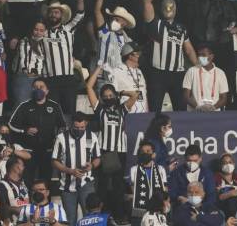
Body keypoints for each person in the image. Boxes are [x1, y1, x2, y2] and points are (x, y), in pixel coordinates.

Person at [86, 66, 136, 223]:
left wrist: (121, 93)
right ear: (102, 98)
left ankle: (119, 216)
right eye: (105, 96)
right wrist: (98, 69)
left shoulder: (122, 110)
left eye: (111, 95)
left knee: (118, 187)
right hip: (105, 152)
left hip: (120, 153)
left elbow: (135, 95)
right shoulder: (100, 110)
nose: (108, 98)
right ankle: (104, 217)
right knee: (103, 187)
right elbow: (88, 87)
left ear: (114, 95)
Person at [143, 0, 198, 112]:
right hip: (158, 73)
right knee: (155, 109)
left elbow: (189, 50)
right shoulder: (156, 24)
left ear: (176, 9)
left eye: (172, 7)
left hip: (177, 74)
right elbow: (146, 3)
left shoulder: (182, 28)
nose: (169, 9)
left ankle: (181, 133)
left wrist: (199, 67)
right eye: (166, 7)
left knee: (180, 109)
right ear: (161, 8)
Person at [8, 77, 67, 185]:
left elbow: (62, 126)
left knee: (46, 182)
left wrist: (58, 138)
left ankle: (45, 202)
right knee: (27, 181)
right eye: (35, 87)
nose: (38, 89)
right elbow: (11, 125)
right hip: (28, 151)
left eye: (41, 87)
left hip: (48, 151)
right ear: (31, 90)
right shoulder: (24, 106)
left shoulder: (54, 106)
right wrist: (25, 130)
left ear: (47, 91)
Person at [53, 112, 103, 223]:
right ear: (71, 124)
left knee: (90, 217)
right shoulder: (61, 138)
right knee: (70, 219)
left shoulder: (92, 136)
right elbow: (54, 161)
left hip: (86, 183)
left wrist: (92, 165)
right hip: (67, 186)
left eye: (82, 127)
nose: (80, 130)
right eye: (76, 127)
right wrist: (70, 171)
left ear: (86, 124)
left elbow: (97, 158)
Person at [43, 0, 86, 115]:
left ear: (61, 15)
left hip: (68, 79)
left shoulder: (68, 29)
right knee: (52, 113)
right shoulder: (43, 33)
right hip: (50, 80)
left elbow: (80, 14)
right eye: (51, 12)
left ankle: (69, 133)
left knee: (70, 112)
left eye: (56, 12)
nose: (53, 15)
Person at [93, 0, 136, 86]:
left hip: (119, 76)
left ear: (124, 23)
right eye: (113, 19)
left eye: (117, 19)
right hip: (103, 76)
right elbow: (97, 11)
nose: (113, 21)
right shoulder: (104, 31)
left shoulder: (127, 40)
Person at [129, 141, 169, 224]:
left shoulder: (161, 170)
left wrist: (166, 203)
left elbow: (165, 190)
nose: (145, 153)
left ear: (153, 154)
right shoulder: (134, 170)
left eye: (148, 151)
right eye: (142, 152)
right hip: (139, 211)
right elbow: (133, 191)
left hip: (158, 210)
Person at [11, 20, 49, 108]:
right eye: (36, 29)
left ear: (45, 32)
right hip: (24, 78)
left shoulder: (46, 43)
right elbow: (24, 59)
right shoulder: (24, 41)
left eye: (41, 30)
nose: (38, 32)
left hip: (39, 79)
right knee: (22, 105)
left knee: (37, 107)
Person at [183, 44, 231, 111]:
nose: (200, 57)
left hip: (214, 114)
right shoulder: (191, 71)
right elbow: (186, 96)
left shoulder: (220, 73)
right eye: (199, 55)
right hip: (194, 113)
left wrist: (213, 108)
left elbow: (224, 98)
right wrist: (198, 107)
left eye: (203, 55)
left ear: (211, 56)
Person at [111, 42, 149, 113]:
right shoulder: (117, 71)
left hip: (143, 114)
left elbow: (144, 93)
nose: (140, 56)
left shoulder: (139, 72)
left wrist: (147, 112)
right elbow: (112, 94)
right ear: (130, 56)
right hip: (127, 113)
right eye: (138, 53)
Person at [214, 154, 237, 219]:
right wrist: (230, 194)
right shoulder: (215, 178)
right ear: (220, 165)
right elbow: (215, 198)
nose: (228, 165)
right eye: (225, 163)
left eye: (230, 162)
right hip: (222, 209)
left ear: (234, 164)